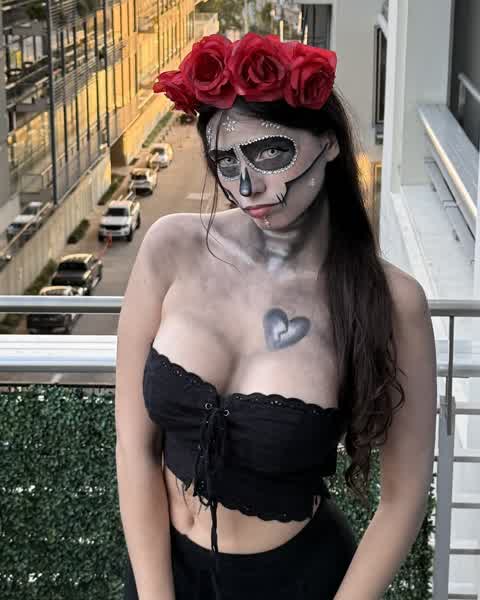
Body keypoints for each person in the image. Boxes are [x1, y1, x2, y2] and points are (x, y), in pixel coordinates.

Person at [115, 33, 437, 600]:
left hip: (301, 582)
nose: (245, 186)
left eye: (269, 154)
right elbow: (134, 447)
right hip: (162, 574)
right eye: (226, 162)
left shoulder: (390, 302)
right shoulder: (171, 249)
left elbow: (403, 499)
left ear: (329, 143)